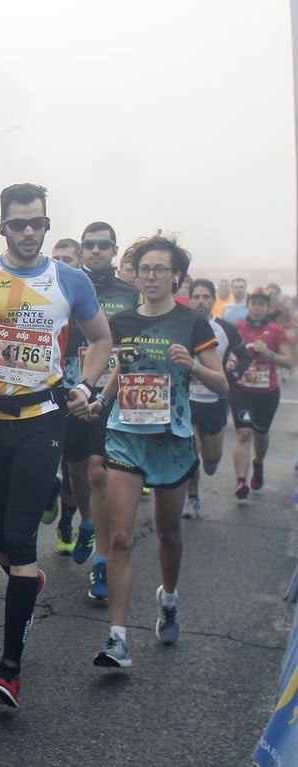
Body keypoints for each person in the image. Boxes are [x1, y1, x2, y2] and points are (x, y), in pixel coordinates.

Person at [0, 182, 112, 708]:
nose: (29, 231)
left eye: (37, 222)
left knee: (18, 541)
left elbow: (100, 339)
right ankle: (22, 575)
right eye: (19, 223)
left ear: (46, 224)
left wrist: (86, 386)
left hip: (43, 418)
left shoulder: (71, 280)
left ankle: (8, 669)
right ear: (2, 228)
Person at [88, 234, 226, 668]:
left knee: (168, 533)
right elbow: (120, 373)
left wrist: (195, 366)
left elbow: (222, 384)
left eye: (160, 270)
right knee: (122, 537)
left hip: (172, 438)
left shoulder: (193, 323)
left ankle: (168, 597)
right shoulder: (123, 321)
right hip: (126, 435)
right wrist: (100, 401)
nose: (151, 277)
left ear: (176, 277)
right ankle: (117, 639)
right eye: (145, 269)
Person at [60, 222, 139, 600]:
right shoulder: (67, 285)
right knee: (76, 469)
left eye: (102, 245)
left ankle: (102, 563)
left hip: (113, 395)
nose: (95, 251)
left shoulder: (129, 293)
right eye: (89, 245)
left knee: (98, 474)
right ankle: (88, 522)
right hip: (72, 391)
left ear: (114, 249)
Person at [183, 278, 249, 518]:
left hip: (214, 401)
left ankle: (210, 464)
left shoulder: (226, 329)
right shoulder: (181, 325)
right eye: (196, 297)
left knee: (211, 458)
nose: (200, 301)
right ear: (190, 299)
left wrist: (230, 377)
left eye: (205, 297)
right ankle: (192, 498)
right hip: (187, 400)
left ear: (213, 300)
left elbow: (245, 357)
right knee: (191, 452)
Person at [230, 287, 292, 498]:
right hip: (241, 389)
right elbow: (225, 351)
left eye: (261, 304)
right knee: (243, 433)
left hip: (267, 392)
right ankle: (240, 481)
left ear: (267, 307)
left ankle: (258, 464)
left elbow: (289, 361)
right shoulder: (237, 327)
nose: (257, 308)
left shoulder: (276, 330)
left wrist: (269, 353)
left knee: (261, 434)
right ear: (248, 305)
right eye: (253, 303)